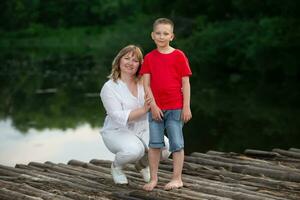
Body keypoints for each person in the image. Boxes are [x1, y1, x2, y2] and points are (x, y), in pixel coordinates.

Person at [99, 45, 171, 185]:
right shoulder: (109, 87)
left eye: (135, 60)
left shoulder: (144, 82)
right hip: (118, 131)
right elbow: (117, 116)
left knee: (165, 149)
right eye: (126, 58)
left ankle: (143, 165)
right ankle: (117, 168)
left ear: (140, 64)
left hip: (143, 126)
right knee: (134, 150)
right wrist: (144, 109)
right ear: (119, 61)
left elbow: (161, 94)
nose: (130, 63)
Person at [140, 18, 192, 191]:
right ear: (152, 35)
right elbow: (146, 84)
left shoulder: (179, 56)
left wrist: (186, 106)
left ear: (172, 36)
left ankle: (177, 178)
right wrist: (153, 106)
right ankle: (154, 179)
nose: (161, 36)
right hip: (156, 108)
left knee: (177, 144)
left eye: (165, 33)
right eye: (158, 33)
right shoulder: (149, 58)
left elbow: (185, 84)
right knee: (154, 144)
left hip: (176, 107)